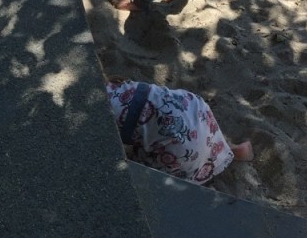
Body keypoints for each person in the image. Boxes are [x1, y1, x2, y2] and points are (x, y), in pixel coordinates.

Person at [106, 77, 253, 185]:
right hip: (192, 106)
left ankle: (202, 164)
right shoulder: (113, 88)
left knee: (138, 173)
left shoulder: (104, 114)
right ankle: (230, 149)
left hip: (179, 148)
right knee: (195, 132)